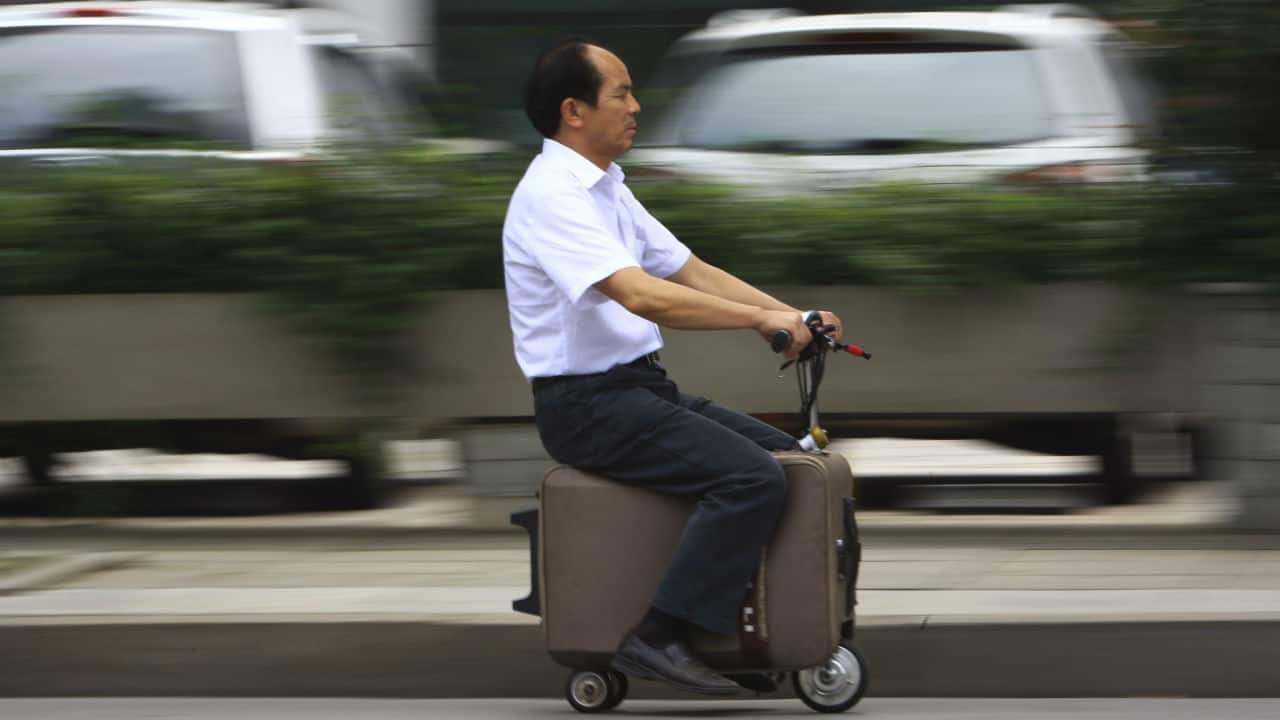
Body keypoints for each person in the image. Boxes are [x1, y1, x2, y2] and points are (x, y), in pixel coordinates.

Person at [503, 39, 844, 696]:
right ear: (575, 110)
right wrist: (757, 322)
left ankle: (746, 636)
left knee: (789, 465)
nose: (637, 106)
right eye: (622, 92)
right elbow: (640, 294)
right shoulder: (551, 195)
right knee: (750, 479)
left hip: (637, 391)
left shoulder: (607, 188)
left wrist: (792, 315)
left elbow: (689, 271)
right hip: (587, 407)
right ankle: (659, 636)